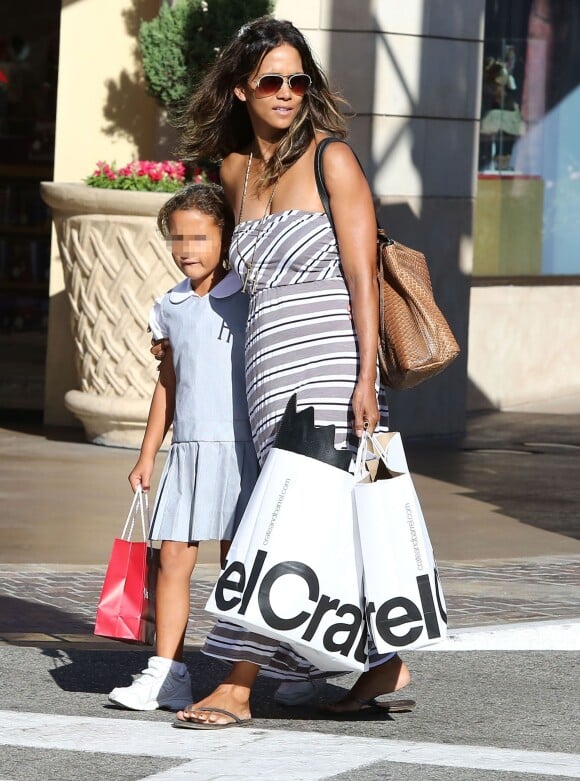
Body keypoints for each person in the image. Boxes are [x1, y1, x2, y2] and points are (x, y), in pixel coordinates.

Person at [165, 16, 413, 729]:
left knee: (279, 522)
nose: (285, 92)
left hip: (334, 364)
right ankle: (377, 664)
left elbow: (364, 278)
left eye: (297, 80)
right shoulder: (236, 173)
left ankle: (238, 682)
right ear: (243, 88)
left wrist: (368, 378)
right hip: (266, 368)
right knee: (329, 520)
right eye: (270, 80)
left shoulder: (332, 160)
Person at [108, 183, 259, 711]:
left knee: (240, 564)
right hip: (189, 451)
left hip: (246, 450)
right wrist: (148, 454)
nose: (187, 248)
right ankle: (167, 671)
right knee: (171, 558)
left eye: (200, 236)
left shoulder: (251, 295)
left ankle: (277, 665)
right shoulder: (167, 307)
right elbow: (168, 385)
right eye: (178, 238)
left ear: (226, 236)